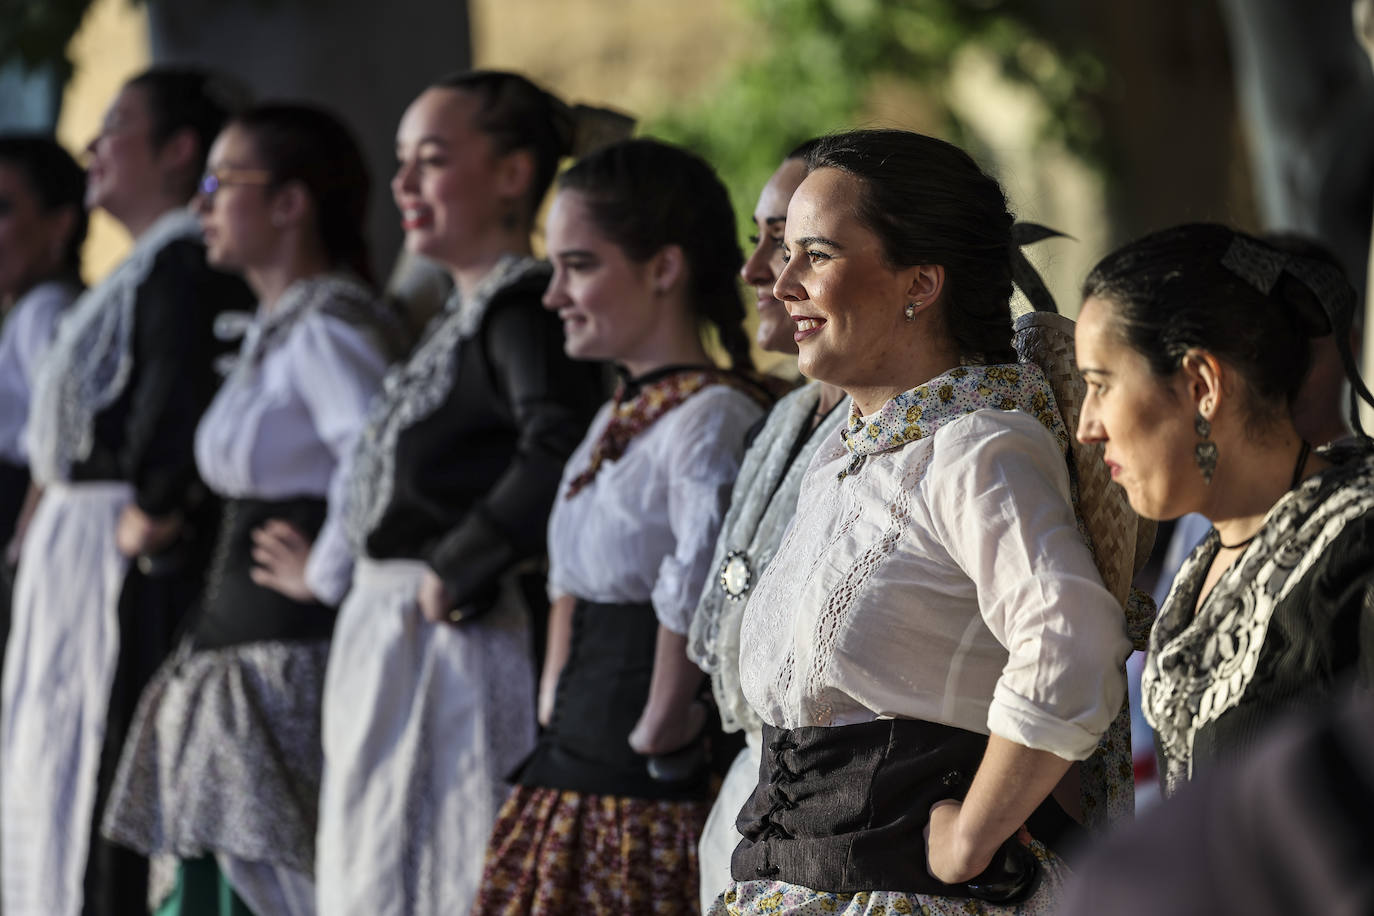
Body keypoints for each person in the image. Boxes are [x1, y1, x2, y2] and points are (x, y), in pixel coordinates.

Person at [712, 129, 1131, 915]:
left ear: (921, 283)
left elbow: (1074, 641)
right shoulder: (847, 449)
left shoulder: (979, 446)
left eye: (817, 255)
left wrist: (972, 835)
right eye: (786, 254)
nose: (781, 282)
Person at [316, 71, 618, 916]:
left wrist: (460, 562)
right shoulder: (461, 314)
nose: (404, 184)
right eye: (402, 161)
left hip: (454, 637)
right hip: (395, 633)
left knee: (447, 867)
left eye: (434, 160)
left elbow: (560, 443)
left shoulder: (522, 308)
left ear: (514, 174)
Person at [98, 102, 399, 915]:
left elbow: (379, 449)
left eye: (218, 182)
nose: (201, 204)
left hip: (284, 666)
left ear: (290, 203)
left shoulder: (328, 330)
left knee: (280, 890)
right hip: (236, 667)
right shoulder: (283, 328)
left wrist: (327, 568)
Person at [471, 137, 773, 916]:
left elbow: (699, 574)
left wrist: (657, 727)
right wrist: (552, 717)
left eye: (578, 265)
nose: (552, 294)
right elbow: (570, 579)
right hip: (572, 765)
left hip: (643, 788)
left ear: (663, 268)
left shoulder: (710, 418)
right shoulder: (618, 413)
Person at [0, 68, 253, 916]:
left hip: (113, 557)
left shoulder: (183, 261)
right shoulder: (143, 266)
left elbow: (174, 397)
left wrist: (150, 508)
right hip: (78, 553)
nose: (94, 148)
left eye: (116, 127)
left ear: (180, 150)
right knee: (56, 754)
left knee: (99, 759)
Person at [1073, 223, 1374, 798]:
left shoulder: (1358, 546)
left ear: (1202, 384)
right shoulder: (1198, 569)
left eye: (1101, 384)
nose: (1088, 426)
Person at [686, 138, 850, 912]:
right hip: (752, 790)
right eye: (761, 242)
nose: (761, 271)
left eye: (788, 243)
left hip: (848, 819)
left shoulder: (920, 440)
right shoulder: (780, 419)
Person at [0, 135, 86, 556]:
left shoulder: (46, 310)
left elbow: (61, 431)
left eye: (3, 209)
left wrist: (22, 545)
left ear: (60, 224)